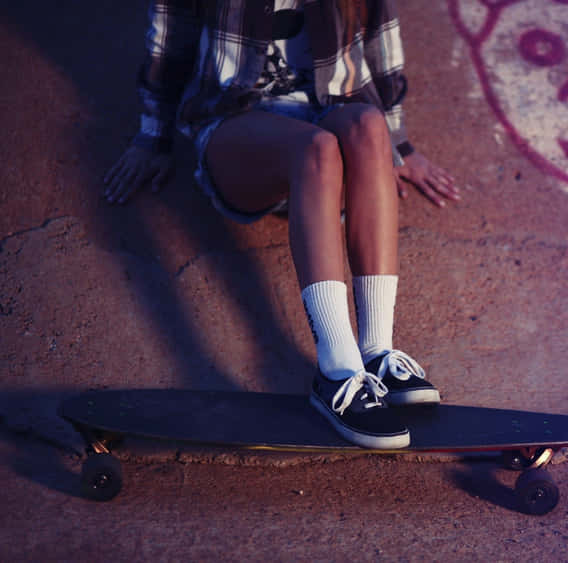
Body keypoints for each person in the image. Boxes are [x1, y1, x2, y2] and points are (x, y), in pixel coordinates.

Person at [102, 0, 460, 450]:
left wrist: (400, 145)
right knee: (316, 149)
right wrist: (153, 137)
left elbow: (382, 44)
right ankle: (337, 372)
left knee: (368, 126)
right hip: (238, 126)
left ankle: (376, 353)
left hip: (332, 113)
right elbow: (169, 44)